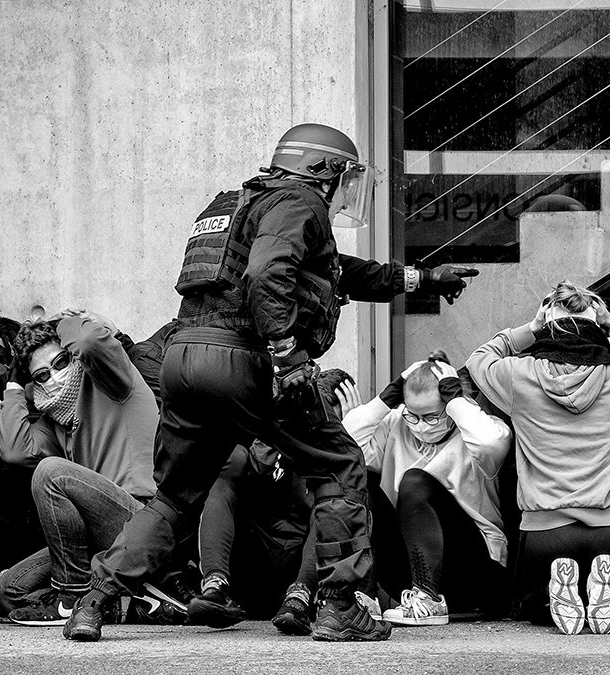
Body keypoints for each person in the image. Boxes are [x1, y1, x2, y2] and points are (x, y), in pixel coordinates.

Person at [63, 123, 477, 643]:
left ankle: (94, 600)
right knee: (339, 465)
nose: (343, 189)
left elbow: (326, 270)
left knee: (175, 496)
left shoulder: (240, 203)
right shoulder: (300, 201)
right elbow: (267, 274)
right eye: (344, 176)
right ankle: (340, 604)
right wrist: (287, 354)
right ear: (321, 168)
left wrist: (420, 278)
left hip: (185, 356)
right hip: (243, 358)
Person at [466, 282, 610, 635]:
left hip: (545, 531)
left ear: (548, 324)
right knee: (590, 586)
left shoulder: (520, 376)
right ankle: (598, 590)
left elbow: (478, 360)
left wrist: (531, 328)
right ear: (597, 325)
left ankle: (558, 597)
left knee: (532, 608)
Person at [0, 310, 164, 626]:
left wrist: (59, 324)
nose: (54, 377)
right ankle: (120, 602)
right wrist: (16, 385)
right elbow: (15, 451)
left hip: (142, 522)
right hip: (98, 540)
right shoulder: (53, 421)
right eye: (42, 375)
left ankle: (71, 597)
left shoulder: (111, 380)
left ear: (71, 356)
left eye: (60, 363)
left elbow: (88, 341)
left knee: (50, 472)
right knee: (9, 589)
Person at [342, 355, 512, 626]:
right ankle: (367, 594)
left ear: (452, 405)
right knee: (357, 482)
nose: (421, 426)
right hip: (408, 573)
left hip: (474, 572)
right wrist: (385, 400)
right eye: (414, 416)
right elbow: (346, 450)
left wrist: (457, 400)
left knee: (415, 481)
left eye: (432, 417)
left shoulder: (480, 429)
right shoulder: (397, 422)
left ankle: (429, 597)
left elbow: (490, 442)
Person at [190, 369, 351, 627]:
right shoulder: (264, 445)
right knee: (229, 467)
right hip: (249, 572)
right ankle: (215, 587)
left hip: (305, 582)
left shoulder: (346, 458)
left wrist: (347, 430)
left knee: (333, 487)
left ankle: (300, 596)